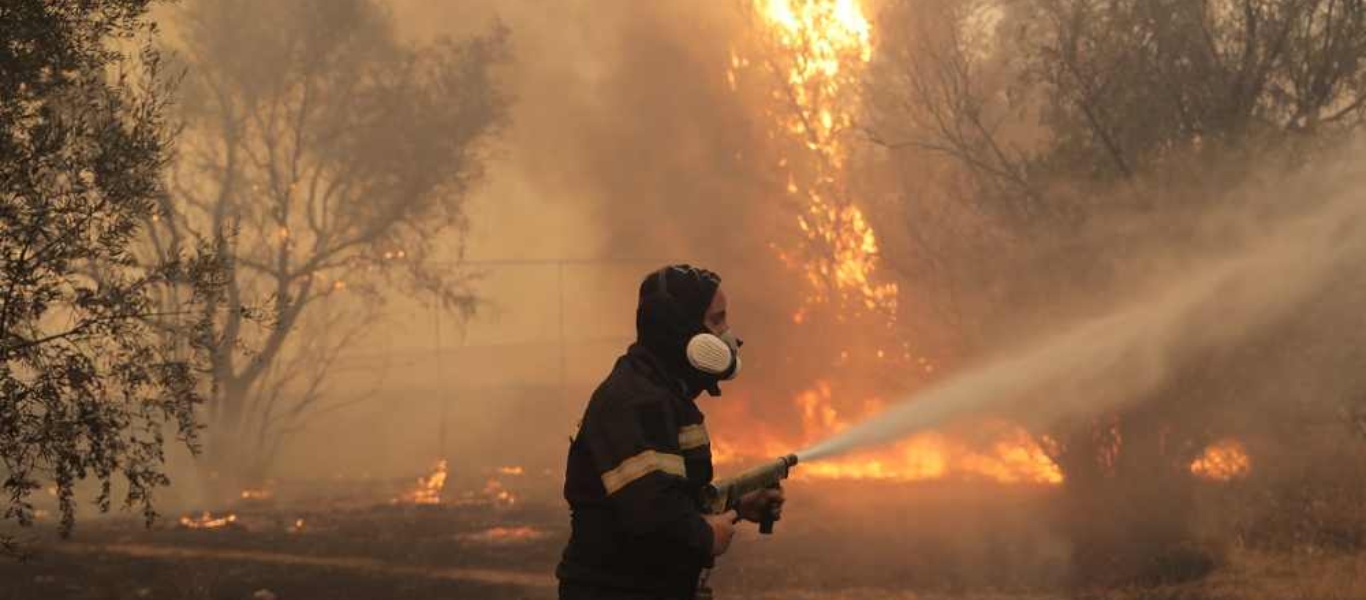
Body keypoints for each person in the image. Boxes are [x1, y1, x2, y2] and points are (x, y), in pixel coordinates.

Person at [557, 265, 785, 600]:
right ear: (681, 330)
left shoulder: (665, 393)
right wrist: (706, 537)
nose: (729, 336)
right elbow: (651, 511)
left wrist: (736, 504)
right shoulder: (635, 400)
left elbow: (673, 496)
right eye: (717, 321)